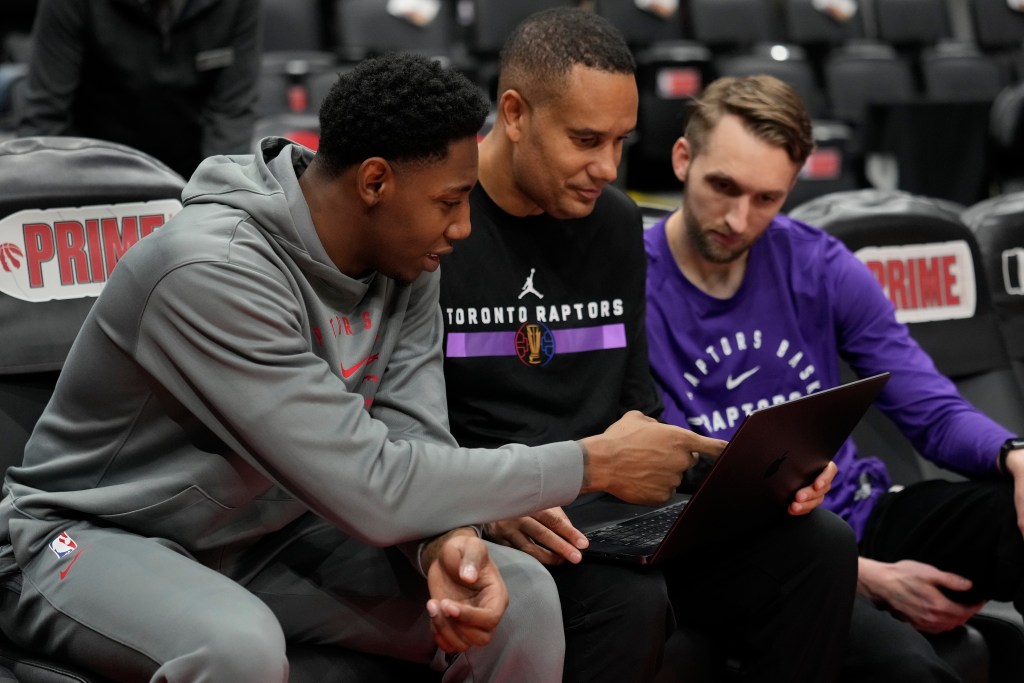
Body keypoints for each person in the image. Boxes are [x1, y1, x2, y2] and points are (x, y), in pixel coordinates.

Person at [0, 52, 715, 683]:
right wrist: (593, 462)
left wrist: (446, 542)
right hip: (90, 539)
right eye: (449, 201)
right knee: (236, 648)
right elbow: (373, 484)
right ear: (375, 182)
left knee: (516, 594)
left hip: (264, 533)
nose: (463, 227)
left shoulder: (407, 260)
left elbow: (414, 437)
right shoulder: (209, 272)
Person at [439, 9, 858, 682]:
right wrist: (484, 508)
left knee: (818, 545)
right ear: (514, 114)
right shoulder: (439, 219)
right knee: (628, 599)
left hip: (611, 514)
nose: (607, 167)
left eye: (620, 141)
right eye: (585, 140)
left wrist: (763, 474)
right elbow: (404, 432)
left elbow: (637, 410)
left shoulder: (613, 221)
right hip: (510, 513)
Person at [644, 73, 1024, 681]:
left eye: (766, 198)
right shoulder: (632, 286)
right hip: (753, 554)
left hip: (860, 512)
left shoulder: (818, 263)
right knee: (909, 672)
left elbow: (930, 408)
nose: (739, 219)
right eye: (724, 187)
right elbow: (679, 492)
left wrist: (1014, 455)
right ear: (683, 159)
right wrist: (868, 579)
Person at [16, 0, 261, 178]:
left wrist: (215, 198)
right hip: (91, 172)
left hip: (192, 173)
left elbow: (232, 113)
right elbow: (45, 119)